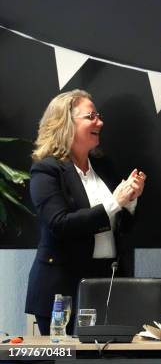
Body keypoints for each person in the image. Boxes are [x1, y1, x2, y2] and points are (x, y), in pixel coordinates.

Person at [25, 89, 146, 335]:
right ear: (66, 124)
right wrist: (115, 202)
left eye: (98, 116)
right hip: (63, 289)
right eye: (91, 117)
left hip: (109, 285)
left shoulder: (104, 166)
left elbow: (121, 228)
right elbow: (60, 224)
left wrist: (130, 201)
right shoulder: (46, 171)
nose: (100, 122)